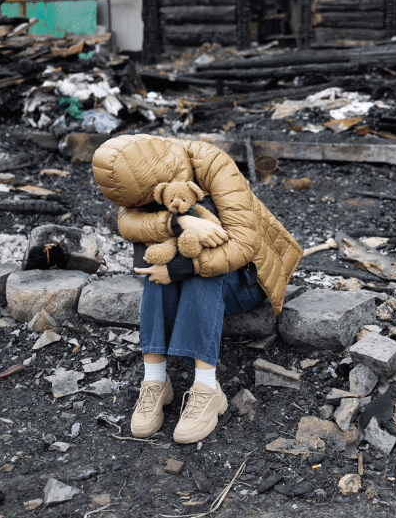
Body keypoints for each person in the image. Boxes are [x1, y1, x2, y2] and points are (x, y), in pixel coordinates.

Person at [91, 134, 302, 444]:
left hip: (246, 275)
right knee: (154, 273)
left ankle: (207, 388)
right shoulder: (137, 169)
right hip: (191, 261)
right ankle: (155, 381)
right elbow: (128, 223)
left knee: (201, 276)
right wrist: (180, 225)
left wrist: (179, 268)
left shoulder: (214, 165)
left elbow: (245, 245)